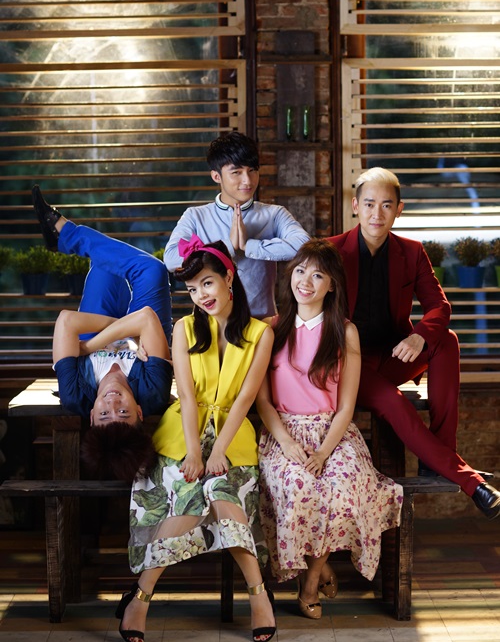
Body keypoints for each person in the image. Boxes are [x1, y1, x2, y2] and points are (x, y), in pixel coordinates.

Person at [116, 234, 276, 642]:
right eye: (191, 289)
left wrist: (218, 451)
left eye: (207, 283)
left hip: (232, 437)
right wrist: (194, 452)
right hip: (182, 435)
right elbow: (186, 396)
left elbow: (245, 399)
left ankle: (253, 596)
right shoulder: (184, 328)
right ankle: (146, 596)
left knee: (221, 490)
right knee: (191, 489)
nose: (201, 295)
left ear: (228, 277)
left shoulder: (261, 333)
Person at [328, 167, 500, 520]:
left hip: (395, 357)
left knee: (446, 340)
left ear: (399, 209)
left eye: (386, 205)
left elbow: (440, 306)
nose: (377, 214)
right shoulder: (332, 251)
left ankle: (439, 454)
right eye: (369, 204)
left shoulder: (412, 251)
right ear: (356, 206)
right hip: (351, 368)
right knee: (394, 403)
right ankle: (469, 480)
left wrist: (419, 335)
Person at [257, 239, 403, 619]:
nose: (306, 281)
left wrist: (324, 452)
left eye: (318, 275)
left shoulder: (345, 332)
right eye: (300, 271)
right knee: (300, 489)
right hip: (283, 432)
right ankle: (321, 568)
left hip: (333, 433)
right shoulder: (271, 330)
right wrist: (286, 442)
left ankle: (309, 583)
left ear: (332, 285)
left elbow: (346, 407)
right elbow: (263, 402)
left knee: (341, 488)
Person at [31, 185, 173, 481]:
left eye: (105, 414)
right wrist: (113, 336)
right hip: (136, 333)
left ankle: (62, 234)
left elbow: (66, 321)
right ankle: (63, 232)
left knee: (107, 265)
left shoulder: (75, 395)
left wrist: (123, 330)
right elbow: (147, 317)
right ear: (139, 412)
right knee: (153, 271)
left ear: (92, 417)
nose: (112, 403)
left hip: (115, 331)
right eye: (124, 414)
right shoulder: (153, 392)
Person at [164, 131, 309, 318]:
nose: (247, 180)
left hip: (263, 323)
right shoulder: (196, 216)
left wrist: (250, 246)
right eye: (237, 172)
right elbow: (170, 258)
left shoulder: (274, 214)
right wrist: (227, 247)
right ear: (216, 176)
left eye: (252, 170)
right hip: (211, 325)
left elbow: (304, 246)